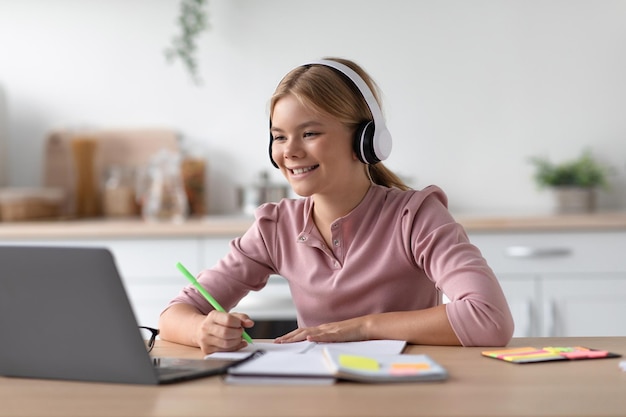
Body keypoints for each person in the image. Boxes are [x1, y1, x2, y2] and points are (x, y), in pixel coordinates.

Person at [159, 57, 514, 354]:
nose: (290, 151)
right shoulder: (275, 226)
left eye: (310, 133)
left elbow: (490, 318)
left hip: (406, 391)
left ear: (366, 140)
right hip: (319, 395)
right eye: (279, 136)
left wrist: (363, 328)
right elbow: (175, 314)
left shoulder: (416, 216)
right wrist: (203, 331)